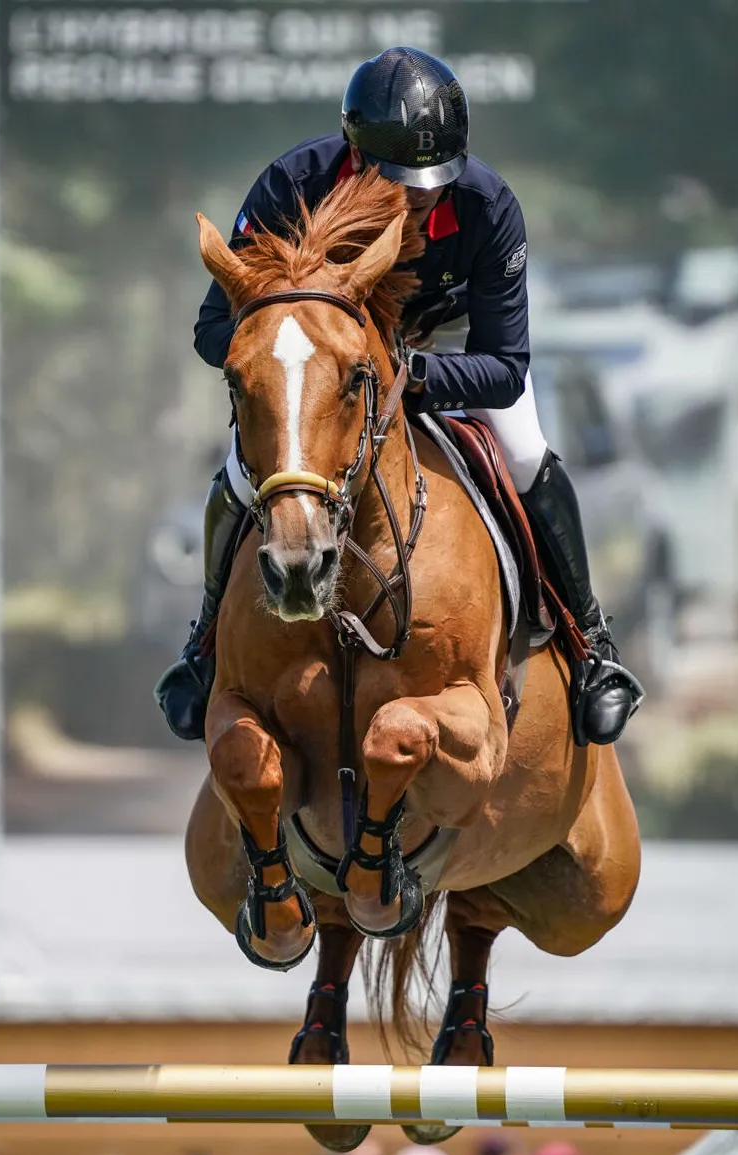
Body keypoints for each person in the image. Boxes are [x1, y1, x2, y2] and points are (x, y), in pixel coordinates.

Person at [155, 45, 643, 750]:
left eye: (431, 180)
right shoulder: (292, 184)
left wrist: (403, 375)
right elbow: (212, 329)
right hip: (324, 366)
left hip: (447, 354)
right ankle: (204, 642)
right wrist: (303, 353)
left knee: (527, 452)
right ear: (354, 155)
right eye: (398, 179)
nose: (419, 195)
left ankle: (592, 646)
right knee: (239, 470)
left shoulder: (486, 205)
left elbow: (504, 367)